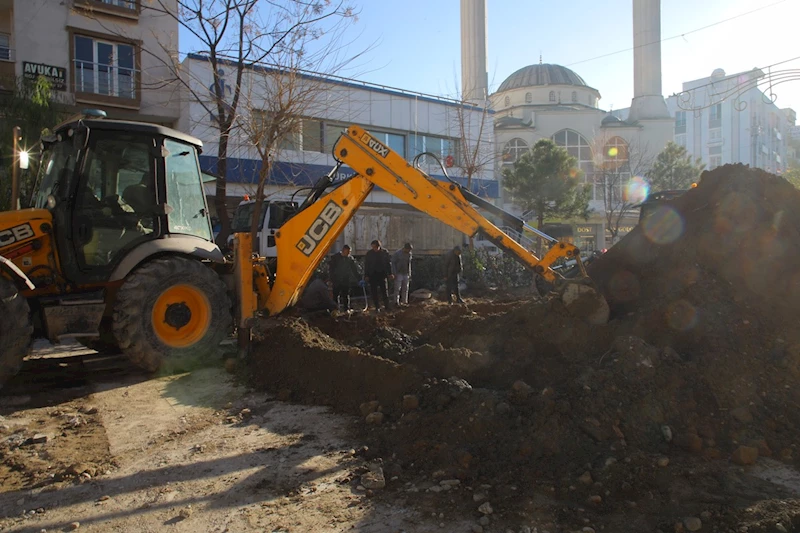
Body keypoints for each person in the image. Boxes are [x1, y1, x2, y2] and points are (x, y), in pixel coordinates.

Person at [329, 244, 361, 311]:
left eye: (350, 252)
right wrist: (332, 279)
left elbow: (354, 269)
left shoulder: (350, 259)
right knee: (336, 295)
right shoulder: (335, 258)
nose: (349, 253)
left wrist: (359, 279)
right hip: (337, 280)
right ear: (343, 250)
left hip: (345, 280)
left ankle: (346, 309)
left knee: (346, 295)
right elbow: (331, 269)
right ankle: (335, 310)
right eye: (348, 252)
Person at [364, 239, 393, 312]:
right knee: (374, 292)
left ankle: (387, 306)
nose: (374, 249)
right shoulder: (369, 254)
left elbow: (388, 264)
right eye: (373, 247)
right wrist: (366, 275)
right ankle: (377, 307)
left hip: (382, 275)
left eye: (375, 247)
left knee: (384, 291)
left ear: (379, 246)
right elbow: (366, 265)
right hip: (372, 275)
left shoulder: (384, 253)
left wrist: (390, 273)